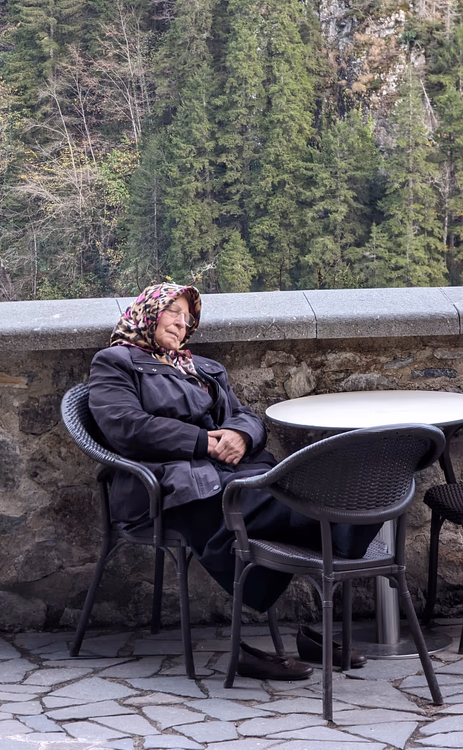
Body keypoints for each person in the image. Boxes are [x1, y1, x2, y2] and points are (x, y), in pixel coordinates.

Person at [88, 281, 376, 680]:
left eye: (188, 317)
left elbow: (246, 416)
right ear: (149, 311)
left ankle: (315, 621)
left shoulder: (203, 367)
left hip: (229, 474)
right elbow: (126, 427)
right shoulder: (115, 361)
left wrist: (240, 436)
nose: (181, 322)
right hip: (172, 486)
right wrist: (203, 442)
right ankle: (285, 635)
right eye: (173, 310)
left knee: (326, 502)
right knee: (306, 506)